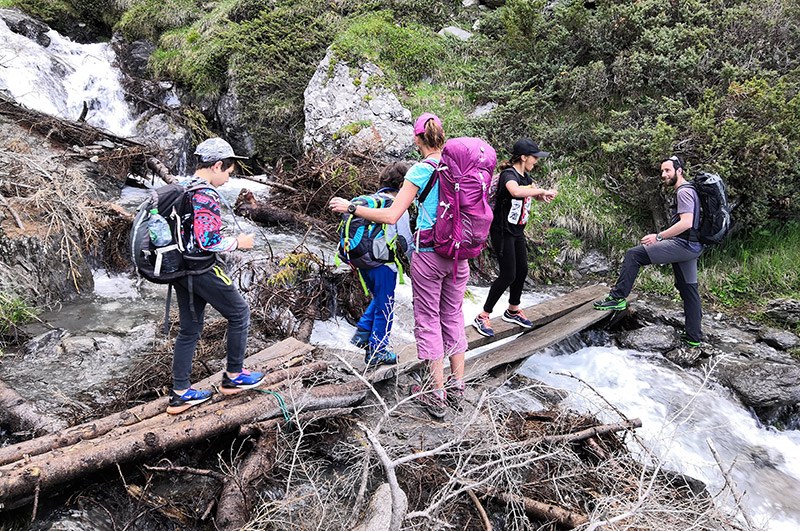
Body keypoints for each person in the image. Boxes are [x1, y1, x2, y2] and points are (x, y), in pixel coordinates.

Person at [329, 112, 466, 419]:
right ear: (443, 136)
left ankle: (436, 394)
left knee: (428, 320)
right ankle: (458, 386)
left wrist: (351, 207)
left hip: (430, 252)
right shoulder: (458, 166)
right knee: (453, 315)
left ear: (417, 139)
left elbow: (392, 216)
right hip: (460, 253)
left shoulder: (421, 169)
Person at [166, 137, 265, 415]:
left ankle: (180, 393)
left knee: (189, 329)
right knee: (240, 313)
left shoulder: (183, 186)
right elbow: (208, 241)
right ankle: (234, 376)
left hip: (181, 269)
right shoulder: (205, 194)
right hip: (202, 268)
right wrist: (239, 243)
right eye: (229, 172)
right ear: (217, 165)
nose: (229, 178)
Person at [593, 155, 704, 347]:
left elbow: (686, 223)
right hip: (693, 246)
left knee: (634, 255)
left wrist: (659, 237)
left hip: (683, 245)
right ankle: (694, 337)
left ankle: (617, 298)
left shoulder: (684, 192)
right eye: (662, 171)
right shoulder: (691, 189)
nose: (664, 174)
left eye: (667, 170)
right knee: (688, 289)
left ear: (679, 171)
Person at [473, 138, 557, 337]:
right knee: (508, 274)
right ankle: (483, 315)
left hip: (517, 230)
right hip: (502, 231)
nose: (536, 161)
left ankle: (512, 310)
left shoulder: (525, 176)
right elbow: (515, 191)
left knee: (522, 270)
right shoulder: (509, 174)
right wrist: (541, 190)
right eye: (534, 157)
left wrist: (541, 196)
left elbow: (527, 193)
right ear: (523, 157)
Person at [349, 162, 414, 367]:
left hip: (361, 260)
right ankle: (378, 350)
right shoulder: (396, 207)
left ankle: (362, 333)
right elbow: (405, 240)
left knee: (379, 298)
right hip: (383, 264)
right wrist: (414, 262)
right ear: (403, 185)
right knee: (385, 306)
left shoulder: (368, 203)